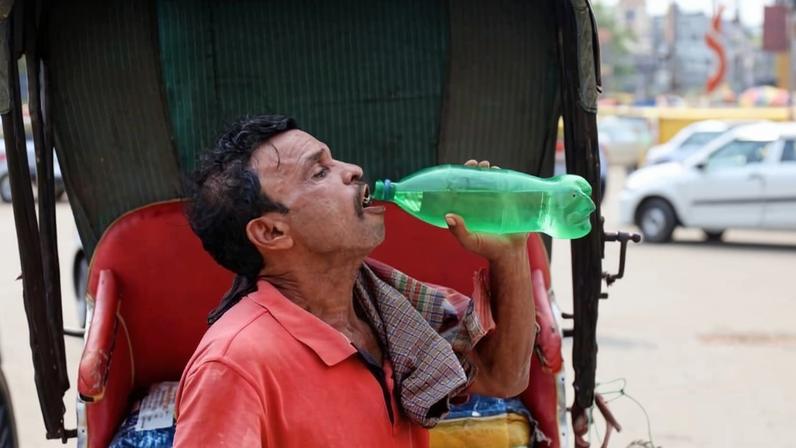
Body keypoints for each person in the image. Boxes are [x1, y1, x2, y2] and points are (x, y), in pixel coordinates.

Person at [173, 115, 536, 447]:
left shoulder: (385, 309)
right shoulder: (233, 365)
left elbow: (504, 376)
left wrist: (510, 251)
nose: (353, 170)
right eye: (319, 172)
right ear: (271, 232)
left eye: (334, 161)